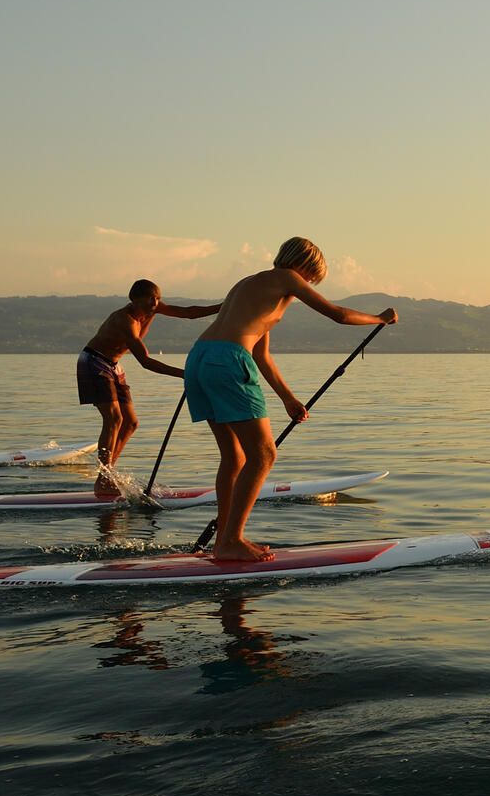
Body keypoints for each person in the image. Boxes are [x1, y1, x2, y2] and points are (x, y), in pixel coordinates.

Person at [186, 238, 396, 561]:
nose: (309, 284)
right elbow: (338, 314)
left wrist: (289, 399)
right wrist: (379, 318)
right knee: (264, 454)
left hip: (200, 358)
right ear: (304, 266)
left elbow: (262, 355)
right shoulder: (287, 278)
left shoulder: (249, 285)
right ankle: (232, 540)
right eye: (312, 277)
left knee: (234, 457)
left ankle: (224, 542)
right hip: (228, 360)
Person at [78, 280, 221, 494]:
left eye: (157, 299)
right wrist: (184, 374)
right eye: (149, 300)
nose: (155, 304)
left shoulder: (154, 307)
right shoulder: (124, 320)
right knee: (114, 418)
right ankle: (104, 478)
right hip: (94, 362)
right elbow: (145, 361)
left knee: (131, 423)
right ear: (134, 300)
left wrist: (223, 307)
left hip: (113, 365)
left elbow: (189, 313)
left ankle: (107, 474)